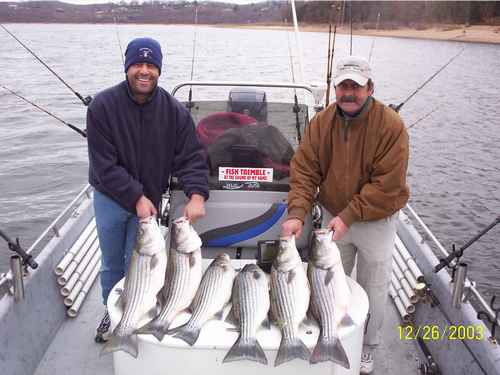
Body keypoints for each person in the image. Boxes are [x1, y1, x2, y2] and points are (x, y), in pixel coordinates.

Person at [282, 55, 409, 374]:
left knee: (374, 286)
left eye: (356, 86)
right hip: (333, 216)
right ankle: (328, 336)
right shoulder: (321, 123)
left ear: (370, 88)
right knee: (326, 284)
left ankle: (368, 347)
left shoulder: (391, 126)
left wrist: (349, 215)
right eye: (343, 86)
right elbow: (304, 171)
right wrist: (297, 212)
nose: (348, 93)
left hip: (376, 220)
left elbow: (387, 184)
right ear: (334, 88)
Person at [86, 37, 209, 342]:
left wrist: (196, 194)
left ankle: (138, 314)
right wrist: (135, 196)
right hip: (111, 199)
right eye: (138, 64)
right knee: (113, 263)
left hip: (149, 201)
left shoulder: (175, 111)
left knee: (138, 262)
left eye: (150, 65)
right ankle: (112, 313)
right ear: (127, 67)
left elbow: (191, 156)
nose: (144, 71)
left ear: (159, 69)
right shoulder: (102, 106)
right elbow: (104, 165)